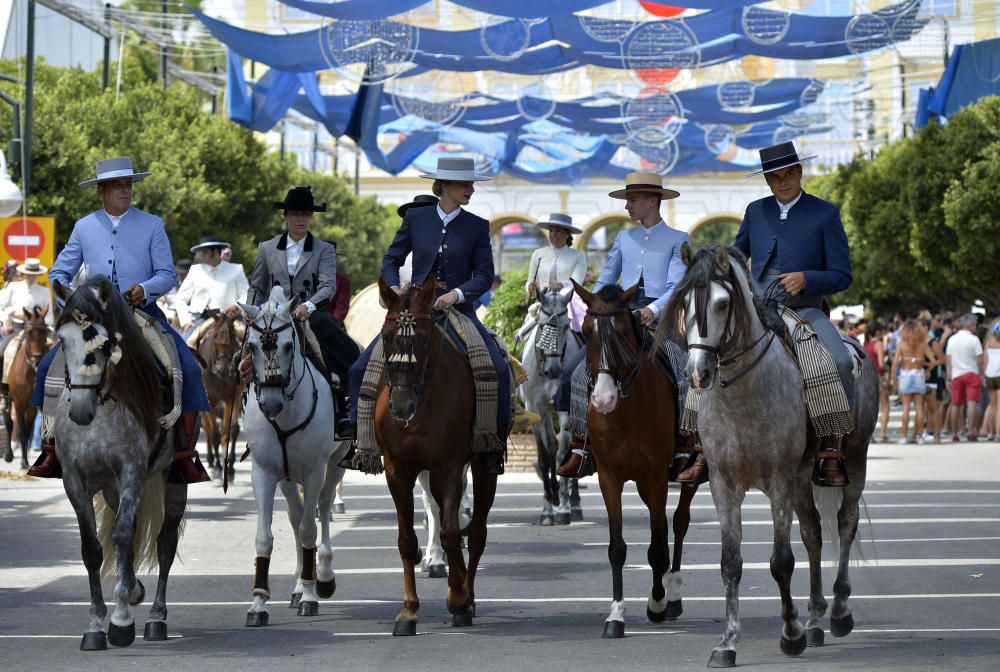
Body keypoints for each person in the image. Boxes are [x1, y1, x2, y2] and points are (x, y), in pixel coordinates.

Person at [27, 156, 211, 482]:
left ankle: (183, 453)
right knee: (45, 369)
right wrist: (72, 301)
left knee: (190, 368)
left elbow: (167, 274)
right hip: (92, 318)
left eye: (128, 185)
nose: (125, 190)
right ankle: (52, 446)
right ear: (102, 190)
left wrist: (146, 288)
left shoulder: (152, 224)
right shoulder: (83, 227)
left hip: (141, 313)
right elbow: (59, 272)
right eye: (117, 185)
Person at [344, 157, 510, 475]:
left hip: (458, 311)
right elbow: (391, 259)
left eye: (471, 184)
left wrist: (456, 294)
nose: (470, 189)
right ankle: (359, 441)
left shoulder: (476, 225)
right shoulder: (416, 219)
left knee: (497, 369)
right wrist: (394, 289)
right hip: (414, 311)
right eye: (464, 184)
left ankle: (491, 444)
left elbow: (485, 275)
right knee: (359, 369)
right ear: (444, 186)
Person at [728, 141, 855, 487]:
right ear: (767, 181)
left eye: (788, 174)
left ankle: (832, 447)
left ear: (800, 173)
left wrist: (807, 279)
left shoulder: (825, 213)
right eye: (774, 177)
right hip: (756, 310)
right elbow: (736, 258)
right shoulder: (755, 211)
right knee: (705, 350)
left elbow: (843, 275)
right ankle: (695, 445)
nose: (782, 182)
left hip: (804, 311)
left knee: (841, 362)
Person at [555, 172, 689, 478]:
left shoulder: (678, 239)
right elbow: (606, 278)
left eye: (632, 199)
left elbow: (677, 286)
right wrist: (596, 304)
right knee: (575, 372)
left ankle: (684, 446)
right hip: (618, 317)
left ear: (652, 201)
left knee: (683, 371)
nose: (627, 205)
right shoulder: (623, 238)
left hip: (658, 319)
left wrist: (652, 310)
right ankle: (580, 447)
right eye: (627, 200)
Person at [242, 186, 353, 439]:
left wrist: (309, 305)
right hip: (273, 315)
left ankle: (342, 403)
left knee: (338, 346)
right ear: (286, 217)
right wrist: (251, 311)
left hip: (309, 314)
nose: (301, 219)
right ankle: (244, 403)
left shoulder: (324, 249)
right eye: (296, 214)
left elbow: (328, 286)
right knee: (245, 351)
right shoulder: (266, 248)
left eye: (306, 214)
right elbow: (257, 286)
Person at [0, 258, 53, 412]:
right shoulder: (14, 288)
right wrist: (7, 320)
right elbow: (1, 307)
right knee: (4, 351)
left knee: (54, 352)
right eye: (29, 274)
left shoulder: (44, 291)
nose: (31, 277)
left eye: (34, 274)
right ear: (24, 273)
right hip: (17, 327)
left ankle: (52, 388)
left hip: (38, 330)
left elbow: (49, 316)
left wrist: (41, 321)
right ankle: (4, 391)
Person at [174, 236, 249, 344]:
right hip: (201, 319)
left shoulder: (236, 269)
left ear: (215, 252)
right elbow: (180, 298)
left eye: (205, 252)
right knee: (186, 347)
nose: (201, 255)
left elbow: (247, 294)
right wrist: (186, 321)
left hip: (229, 319)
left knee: (251, 345)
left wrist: (235, 305)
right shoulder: (195, 270)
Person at [890, 320, 937, 444]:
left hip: (905, 374)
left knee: (906, 407)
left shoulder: (901, 344)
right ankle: (920, 436)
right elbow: (934, 361)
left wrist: (892, 377)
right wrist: (927, 369)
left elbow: (895, 363)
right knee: (919, 407)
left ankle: (904, 437)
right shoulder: (923, 345)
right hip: (919, 374)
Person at [945, 313, 985, 441]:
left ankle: (954, 433)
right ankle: (971, 430)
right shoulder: (974, 340)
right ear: (971, 325)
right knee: (971, 403)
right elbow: (979, 360)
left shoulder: (952, 339)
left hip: (957, 374)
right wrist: (982, 374)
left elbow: (948, 361)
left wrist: (948, 377)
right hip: (972, 373)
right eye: (975, 324)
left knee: (956, 404)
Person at [864, 323, 890, 442]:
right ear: (879, 332)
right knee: (885, 406)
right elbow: (881, 364)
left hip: (868, 377)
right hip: (879, 377)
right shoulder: (878, 344)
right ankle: (883, 435)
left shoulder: (867, 344)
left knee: (871, 408)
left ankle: (870, 436)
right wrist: (888, 368)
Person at [981, 322, 1000, 441]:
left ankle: (991, 433)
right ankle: (999, 433)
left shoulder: (988, 342)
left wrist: (984, 375)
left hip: (990, 375)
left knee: (992, 405)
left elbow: (985, 360)